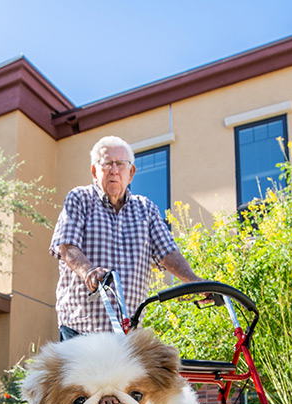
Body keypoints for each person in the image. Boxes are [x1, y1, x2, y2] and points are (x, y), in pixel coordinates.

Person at [50, 135, 199, 340]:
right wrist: (89, 272)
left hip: (127, 336)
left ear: (131, 172)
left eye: (121, 164)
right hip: (80, 331)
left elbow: (167, 253)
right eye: (107, 163)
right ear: (94, 171)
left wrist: (194, 281)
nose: (114, 170)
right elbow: (67, 247)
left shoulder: (146, 209)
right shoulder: (79, 199)